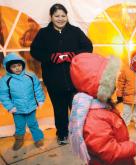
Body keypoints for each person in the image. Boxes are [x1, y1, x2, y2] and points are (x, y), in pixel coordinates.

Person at [68, 53, 136, 165]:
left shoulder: (101, 106)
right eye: (109, 80)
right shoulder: (94, 118)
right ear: (99, 84)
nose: (114, 83)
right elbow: (110, 151)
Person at [30, 3, 93, 145]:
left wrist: (73, 55)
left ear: (67, 16)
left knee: (77, 109)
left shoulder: (75, 31)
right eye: (57, 16)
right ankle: (62, 134)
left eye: (63, 15)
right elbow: (35, 51)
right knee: (59, 110)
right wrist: (51, 57)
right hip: (54, 80)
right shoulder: (43, 33)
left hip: (75, 79)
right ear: (51, 17)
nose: (60, 18)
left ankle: (80, 133)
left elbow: (88, 47)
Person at [0, 52, 45, 150]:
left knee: (33, 124)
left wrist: (40, 100)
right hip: (17, 109)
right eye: (14, 66)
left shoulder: (30, 76)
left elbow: (37, 88)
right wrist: (10, 107)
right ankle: (19, 139)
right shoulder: (5, 80)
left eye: (19, 65)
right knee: (19, 125)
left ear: (23, 64)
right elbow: (3, 95)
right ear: (8, 68)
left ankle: (38, 138)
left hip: (31, 106)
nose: (17, 68)